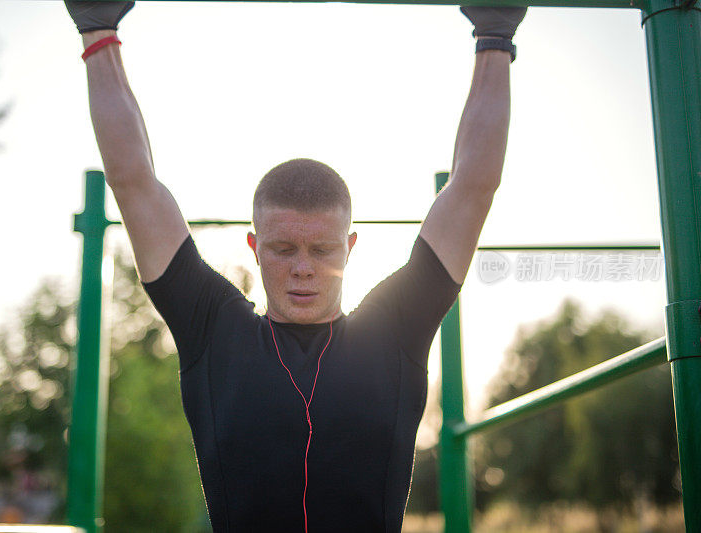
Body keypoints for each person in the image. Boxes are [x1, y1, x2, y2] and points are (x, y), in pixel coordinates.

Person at [64, 2, 526, 531]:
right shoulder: (214, 329)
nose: (303, 269)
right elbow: (134, 182)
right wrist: (97, 29)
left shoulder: (394, 328)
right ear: (254, 246)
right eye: (284, 250)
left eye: (322, 251)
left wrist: (495, 33)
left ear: (350, 247)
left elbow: (472, 187)